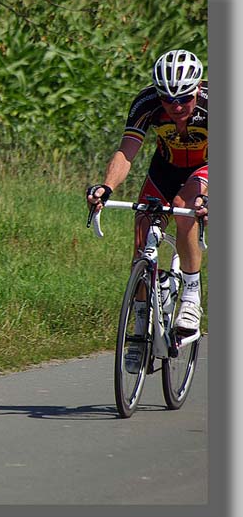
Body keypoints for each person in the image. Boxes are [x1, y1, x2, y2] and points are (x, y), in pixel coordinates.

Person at [87, 48, 208, 373]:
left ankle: (192, 296)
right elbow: (127, 151)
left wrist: (207, 199)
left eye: (184, 98)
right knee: (142, 232)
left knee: (184, 208)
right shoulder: (147, 104)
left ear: (196, 89)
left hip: (206, 168)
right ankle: (140, 329)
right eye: (168, 100)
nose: (177, 106)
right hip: (165, 168)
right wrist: (106, 187)